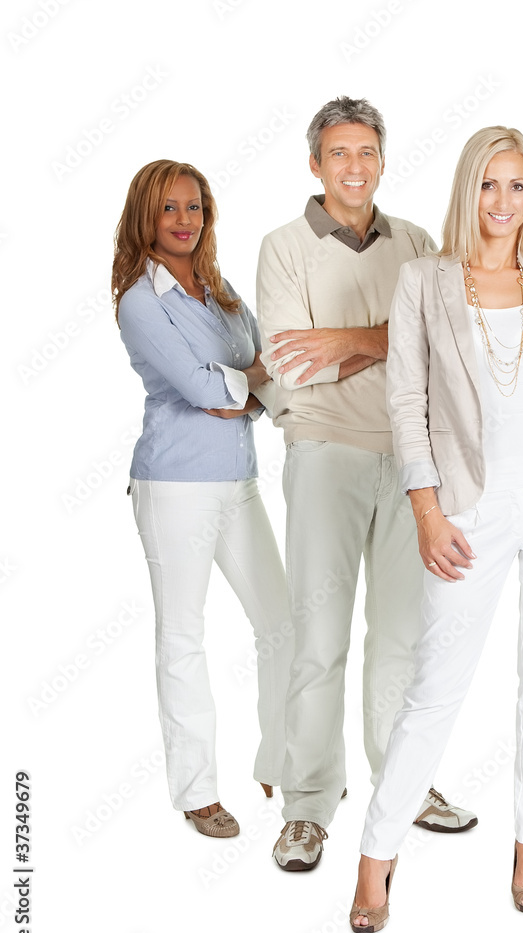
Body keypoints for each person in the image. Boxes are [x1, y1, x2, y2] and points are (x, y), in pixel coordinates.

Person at [349, 126, 523, 933]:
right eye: (490, 185)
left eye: (520, 187)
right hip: (466, 509)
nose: (504, 203)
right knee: (437, 687)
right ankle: (376, 852)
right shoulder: (424, 280)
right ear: (469, 190)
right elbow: (406, 402)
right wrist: (426, 508)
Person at [257, 97, 476, 872]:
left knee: (403, 639)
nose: (355, 166)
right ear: (315, 163)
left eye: (367, 152)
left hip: (414, 461)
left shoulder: (414, 241)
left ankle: (404, 785)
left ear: (382, 160)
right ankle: (309, 807)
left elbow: (443, 347)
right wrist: (392, 346)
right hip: (325, 453)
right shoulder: (284, 248)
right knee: (317, 641)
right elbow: (287, 364)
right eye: (340, 153)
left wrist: (347, 341)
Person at [113, 159, 292, 838]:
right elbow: (199, 389)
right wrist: (238, 385)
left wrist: (236, 386)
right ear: (146, 218)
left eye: (195, 207)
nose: (185, 221)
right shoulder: (140, 298)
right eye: (170, 210)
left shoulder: (217, 288)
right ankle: (197, 792)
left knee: (282, 620)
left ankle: (279, 755)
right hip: (174, 485)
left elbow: (261, 366)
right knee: (183, 636)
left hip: (238, 478)